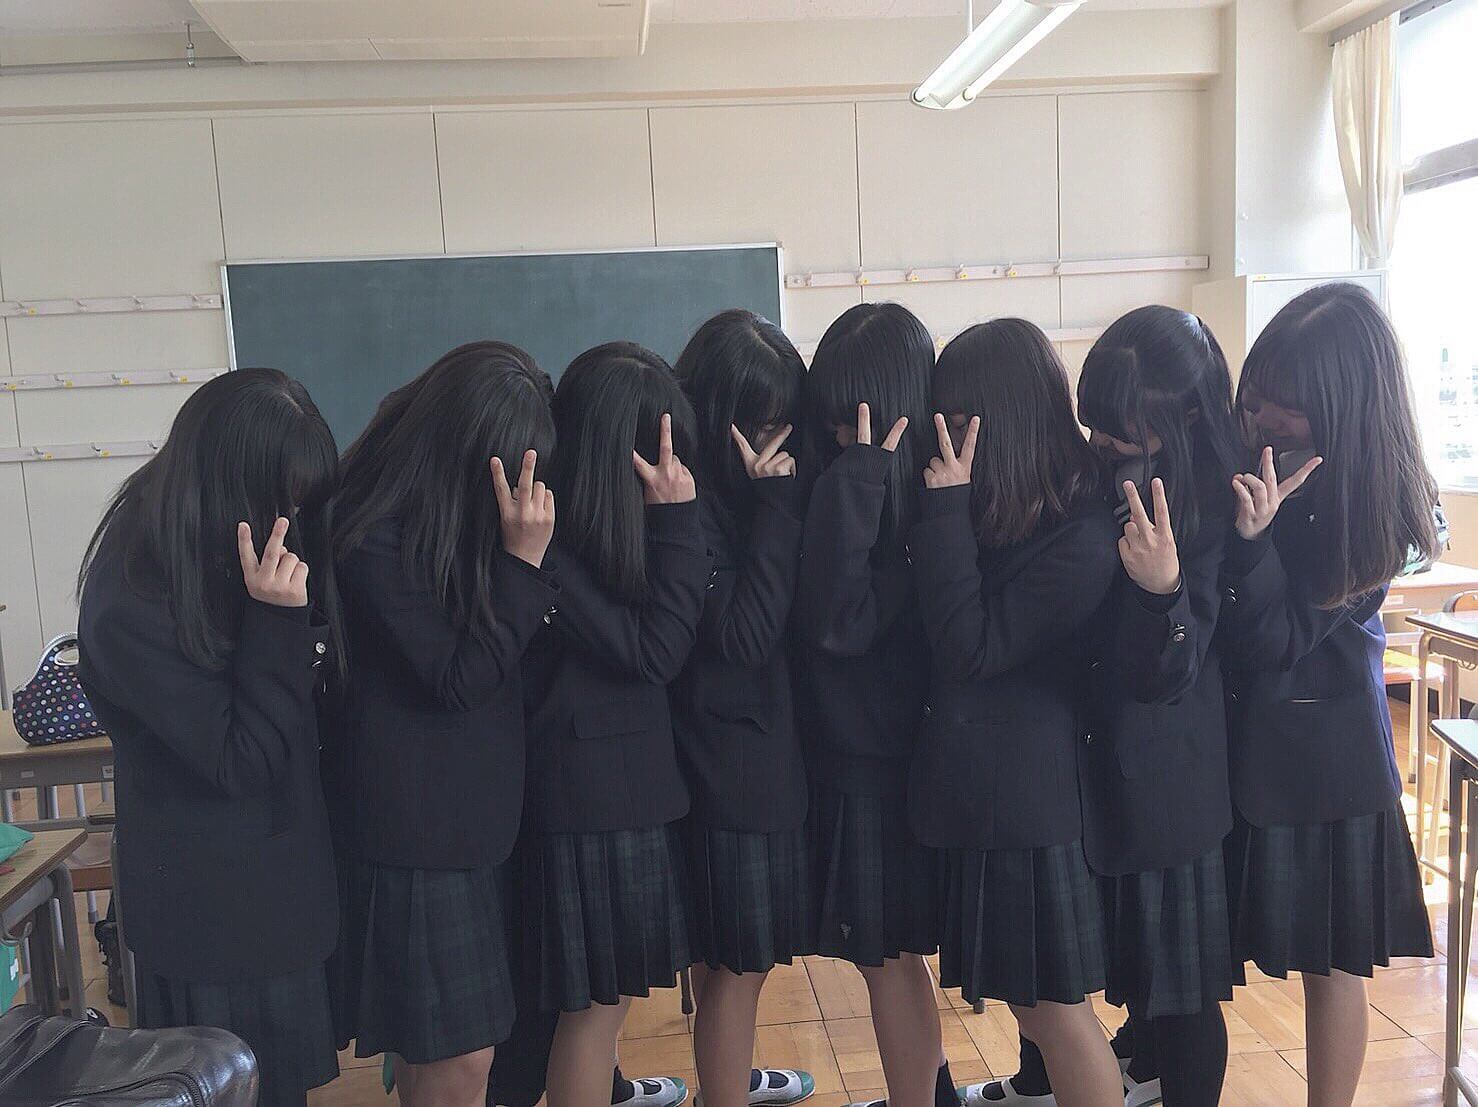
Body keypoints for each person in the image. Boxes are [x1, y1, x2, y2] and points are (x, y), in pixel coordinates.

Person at [77, 368, 343, 1107]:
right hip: (214, 915)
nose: (292, 516)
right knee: (229, 1091)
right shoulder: (132, 591)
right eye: (282, 498)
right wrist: (279, 621)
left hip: (277, 893)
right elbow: (239, 758)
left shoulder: (224, 541)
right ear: (230, 483)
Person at [324, 342, 558, 1107]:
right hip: (416, 839)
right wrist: (521, 564)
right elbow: (459, 677)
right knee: (459, 1060)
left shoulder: (439, 523)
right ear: (465, 453)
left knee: (444, 1058)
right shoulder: (373, 533)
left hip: (470, 831)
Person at [1221, 282, 1436, 1106]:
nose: (1262, 416)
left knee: (1335, 966)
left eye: (1286, 404)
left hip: (1329, 764)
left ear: (1344, 408)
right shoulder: (1262, 451)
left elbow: (1277, 639)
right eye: (1258, 395)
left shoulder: (1377, 510)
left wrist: (1252, 539)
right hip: (1246, 743)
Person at [908, 320, 1125, 1107]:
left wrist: (943, 511)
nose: (940, 430)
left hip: (1029, 810)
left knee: (1055, 1012)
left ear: (996, 419)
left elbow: (971, 646)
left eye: (954, 414)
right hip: (994, 799)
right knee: (1040, 1010)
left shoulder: (1083, 536)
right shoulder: (1024, 508)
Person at [520, 343, 713, 1107]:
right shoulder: (551, 542)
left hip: (612, 796)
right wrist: (678, 519)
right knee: (593, 1013)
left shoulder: (581, 529)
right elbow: (656, 649)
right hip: (592, 804)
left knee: (601, 1009)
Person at [794, 302, 954, 1107]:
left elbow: (838, 620)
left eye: (853, 416)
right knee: (890, 959)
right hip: (863, 757)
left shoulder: (905, 499)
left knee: (888, 959)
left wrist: (855, 479)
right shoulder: (853, 484)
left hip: (887, 765)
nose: (838, 433)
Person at [671, 310, 817, 1107]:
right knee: (738, 966)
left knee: (727, 961)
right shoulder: (695, 498)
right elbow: (746, 633)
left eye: (782, 421)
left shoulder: (718, 491)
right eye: (759, 424)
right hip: (729, 761)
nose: (776, 442)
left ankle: (723, 1080)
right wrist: (777, 505)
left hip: (738, 750)